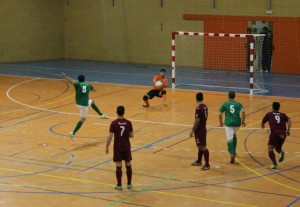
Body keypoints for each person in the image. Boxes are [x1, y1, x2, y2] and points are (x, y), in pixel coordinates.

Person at [61, 72, 108, 139]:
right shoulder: (88, 85)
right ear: (84, 79)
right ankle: (73, 132)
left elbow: (71, 81)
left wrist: (65, 77)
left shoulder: (77, 84)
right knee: (82, 119)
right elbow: (94, 90)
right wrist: (88, 86)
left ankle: (101, 115)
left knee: (91, 102)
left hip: (78, 103)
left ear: (78, 80)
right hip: (84, 104)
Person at [106, 106, 134, 190]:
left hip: (118, 147)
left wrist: (107, 146)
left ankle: (119, 185)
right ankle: (129, 184)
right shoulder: (128, 122)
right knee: (128, 164)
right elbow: (132, 135)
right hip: (126, 147)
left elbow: (110, 136)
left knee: (118, 165)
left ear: (116, 112)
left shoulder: (114, 123)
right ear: (124, 112)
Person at [261, 102, 291, 169]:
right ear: (279, 108)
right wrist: (288, 130)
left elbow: (263, 122)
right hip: (283, 133)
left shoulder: (269, 114)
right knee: (277, 148)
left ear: (272, 107)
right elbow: (289, 120)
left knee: (270, 149)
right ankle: (281, 152)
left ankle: (274, 164)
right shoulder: (283, 114)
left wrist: (262, 126)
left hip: (275, 133)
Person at [219, 91, 246, 164]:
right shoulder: (239, 104)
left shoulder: (225, 104)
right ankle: (234, 151)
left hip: (228, 123)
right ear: (234, 96)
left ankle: (232, 153)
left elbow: (220, 113)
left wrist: (221, 122)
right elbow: (243, 111)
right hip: (237, 123)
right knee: (234, 135)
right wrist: (243, 121)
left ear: (228, 96)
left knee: (229, 140)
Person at [190, 92, 210, 170]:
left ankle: (207, 164)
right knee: (200, 145)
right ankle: (199, 161)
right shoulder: (205, 107)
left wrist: (192, 130)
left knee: (203, 146)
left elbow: (197, 120)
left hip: (199, 130)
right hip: (203, 128)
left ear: (196, 98)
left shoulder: (198, 108)